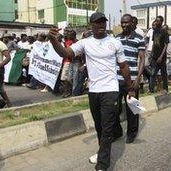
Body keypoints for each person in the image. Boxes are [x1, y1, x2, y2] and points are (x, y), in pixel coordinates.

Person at [48, 12, 135, 171]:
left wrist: (130, 88)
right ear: (91, 25)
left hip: (111, 90)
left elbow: (123, 66)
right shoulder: (85, 43)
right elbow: (65, 53)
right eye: (97, 23)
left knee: (107, 129)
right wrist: (53, 39)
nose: (101, 25)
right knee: (99, 127)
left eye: (103, 22)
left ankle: (102, 165)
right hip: (93, 91)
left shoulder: (115, 43)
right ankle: (102, 151)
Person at [115, 14, 146, 143]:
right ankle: (116, 133)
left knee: (132, 108)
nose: (124, 25)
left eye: (126, 22)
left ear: (132, 23)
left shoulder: (139, 39)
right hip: (116, 79)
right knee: (114, 108)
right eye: (122, 23)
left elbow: (142, 59)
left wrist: (138, 78)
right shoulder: (116, 38)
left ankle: (132, 133)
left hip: (132, 79)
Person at [149, 16, 169, 93]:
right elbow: (154, 43)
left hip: (162, 57)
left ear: (161, 22)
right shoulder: (155, 31)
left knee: (164, 74)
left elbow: (165, 45)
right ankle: (151, 90)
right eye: (156, 21)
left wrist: (161, 56)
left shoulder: (164, 32)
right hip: (155, 56)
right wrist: (151, 52)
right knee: (153, 73)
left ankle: (165, 89)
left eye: (158, 21)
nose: (157, 22)